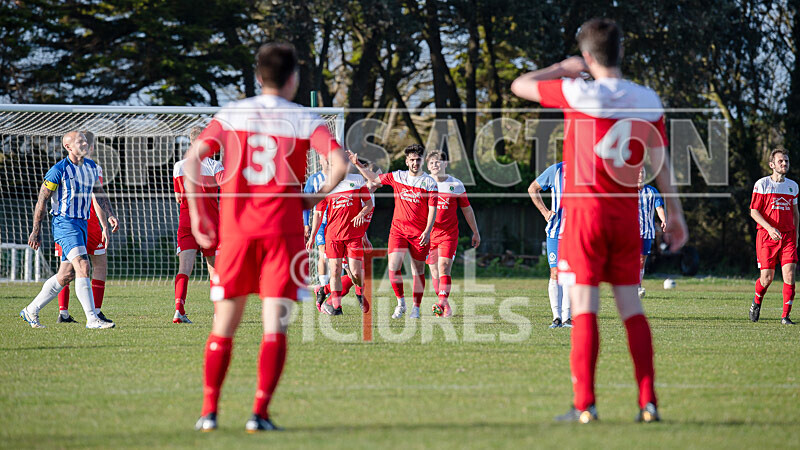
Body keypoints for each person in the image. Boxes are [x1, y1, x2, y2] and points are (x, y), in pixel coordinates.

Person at [511, 18, 688, 423]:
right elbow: (661, 164)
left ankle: (585, 405)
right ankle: (648, 403)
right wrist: (675, 214)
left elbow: (519, 84)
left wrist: (562, 68)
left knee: (585, 309)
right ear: (622, 52)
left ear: (589, 57)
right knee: (631, 310)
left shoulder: (578, 92)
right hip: (626, 220)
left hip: (584, 221)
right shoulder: (647, 99)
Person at [186, 43, 347, 432]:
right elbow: (340, 164)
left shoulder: (231, 114)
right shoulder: (305, 118)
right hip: (283, 235)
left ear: (258, 77)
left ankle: (209, 413)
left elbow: (192, 159)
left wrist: (197, 215)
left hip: (237, 233)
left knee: (224, 324)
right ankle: (259, 415)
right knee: (275, 326)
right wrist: (314, 194)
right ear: (293, 79)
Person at [21, 131, 120, 329]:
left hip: (82, 224)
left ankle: (31, 310)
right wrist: (35, 230)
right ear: (68, 147)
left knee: (66, 275)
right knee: (83, 266)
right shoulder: (58, 170)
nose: (85, 144)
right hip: (65, 224)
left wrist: (109, 214)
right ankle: (92, 319)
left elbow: (98, 193)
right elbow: (42, 200)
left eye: (85, 140)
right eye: (80, 141)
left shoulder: (91, 167)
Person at [348, 144, 438, 319]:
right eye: (412, 160)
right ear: (406, 161)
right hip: (398, 231)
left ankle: (416, 308)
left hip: (419, 233)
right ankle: (401, 303)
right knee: (393, 267)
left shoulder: (429, 182)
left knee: (417, 270)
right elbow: (374, 179)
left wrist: (427, 231)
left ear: (422, 161)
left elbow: (433, 210)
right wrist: (357, 163)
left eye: (418, 160)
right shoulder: (398, 176)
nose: (415, 163)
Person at [54, 131, 114, 324]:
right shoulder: (94, 168)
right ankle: (95, 312)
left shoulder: (64, 167)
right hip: (89, 223)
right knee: (99, 265)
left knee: (67, 269)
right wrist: (105, 223)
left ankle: (63, 312)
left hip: (66, 222)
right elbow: (97, 198)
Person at [172, 126, 224, 324]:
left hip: (187, 222)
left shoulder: (179, 166)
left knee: (184, 268)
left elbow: (179, 197)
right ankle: (218, 314)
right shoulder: (215, 165)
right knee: (214, 270)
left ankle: (179, 310)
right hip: (209, 222)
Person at [306, 166, 373, 315]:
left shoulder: (357, 180)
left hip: (353, 236)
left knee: (355, 273)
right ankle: (336, 307)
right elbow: (317, 214)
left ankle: (360, 293)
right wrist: (312, 237)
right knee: (335, 270)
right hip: (333, 235)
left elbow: (369, 204)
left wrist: (361, 214)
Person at [425, 150, 480, 317]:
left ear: (445, 164)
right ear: (428, 166)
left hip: (448, 234)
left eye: (438, 162)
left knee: (444, 267)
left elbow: (467, 210)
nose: (435, 165)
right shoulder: (422, 184)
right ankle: (446, 305)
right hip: (428, 234)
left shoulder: (456, 185)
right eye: (432, 163)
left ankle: (440, 303)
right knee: (434, 271)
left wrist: (475, 232)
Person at [749, 147, 797, 325]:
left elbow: (796, 214)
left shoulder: (793, 186)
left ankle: (785, 316)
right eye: (780, 161)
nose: (784, 164)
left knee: (790, 275)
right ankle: (757, 301)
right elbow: (754, 211)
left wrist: (796, 236)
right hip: (766, 237)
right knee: (767, 278)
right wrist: (769, 228)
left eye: (786, 161)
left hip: (788, 237)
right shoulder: (762, 184)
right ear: (772, 165)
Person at [529, 161, 571, 328]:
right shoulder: (556, 170)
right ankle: (556, 317)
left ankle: (568, 318)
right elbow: (532, 188)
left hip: (577, 233)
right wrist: (545, 212)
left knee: (571, 274)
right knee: (555, 272)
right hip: (555, 232)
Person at [637, 167, 666, 299]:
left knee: (641, 260)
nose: (640, 174)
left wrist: (664, 220)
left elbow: (659, 208)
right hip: (630, 232)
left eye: (642, 172)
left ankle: (637, 285)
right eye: (638, 172)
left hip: (647, 232)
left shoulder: (652, 191)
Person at [304, 157, 330, 289]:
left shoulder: (340, 178)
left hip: (336, 222)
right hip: (321, 222)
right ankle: (324, 286)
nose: (328, 161)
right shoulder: (314, 180)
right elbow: (306, 204)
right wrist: (306, 224)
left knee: (336, 256)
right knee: (323, 252)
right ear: (320, 161)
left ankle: (334, 283)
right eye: (325, 159)